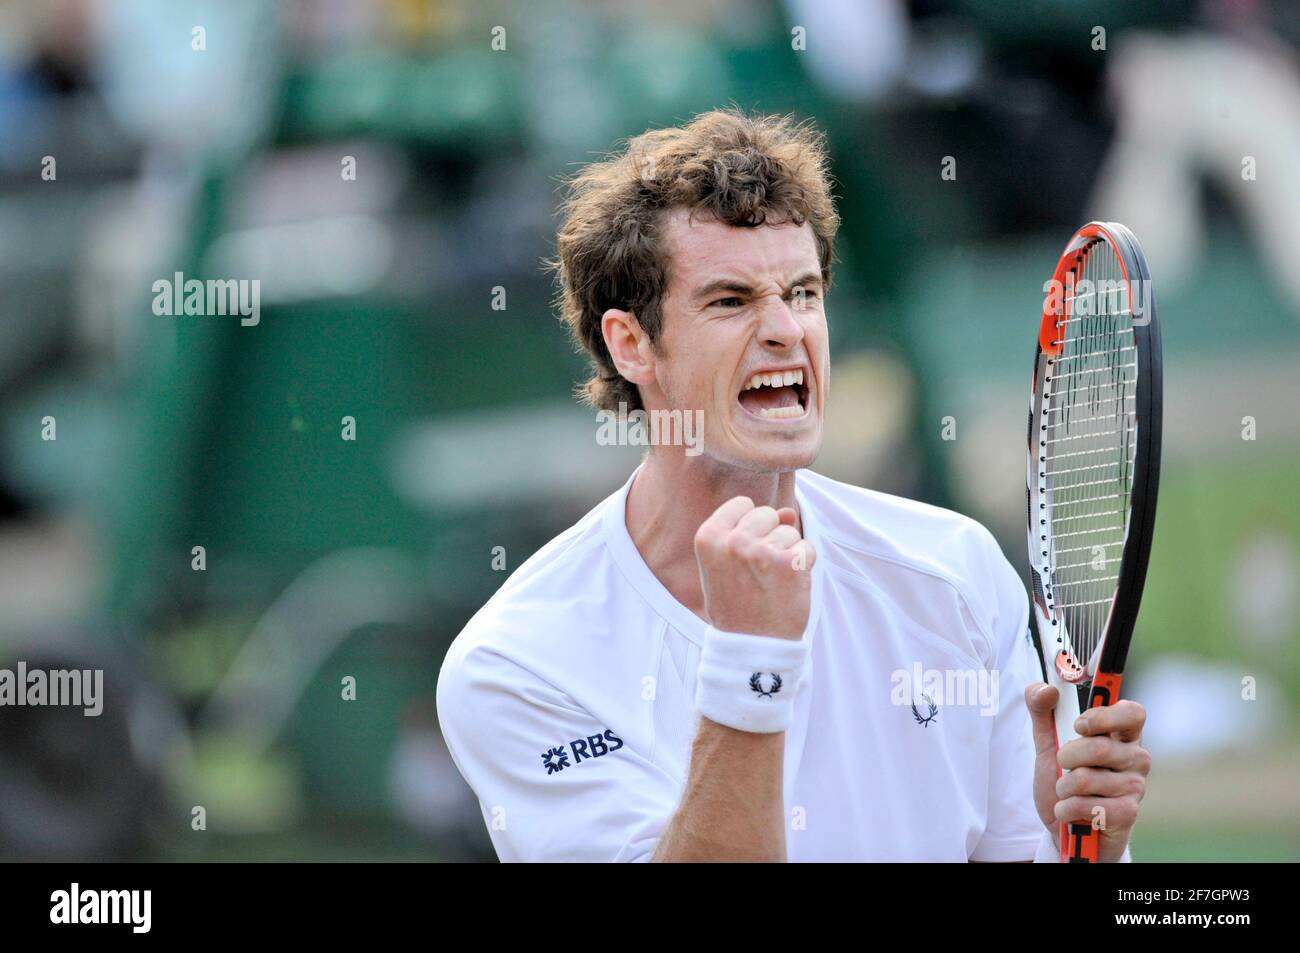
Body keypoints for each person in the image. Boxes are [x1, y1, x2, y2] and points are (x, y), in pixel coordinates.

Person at [436, 109, 1150, 862]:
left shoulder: (957, 569)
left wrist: (1085, 848)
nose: (787, 329)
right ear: (631, 344)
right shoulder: (513, 663)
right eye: (731, 300)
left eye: (804, 293)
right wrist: (752, 656)